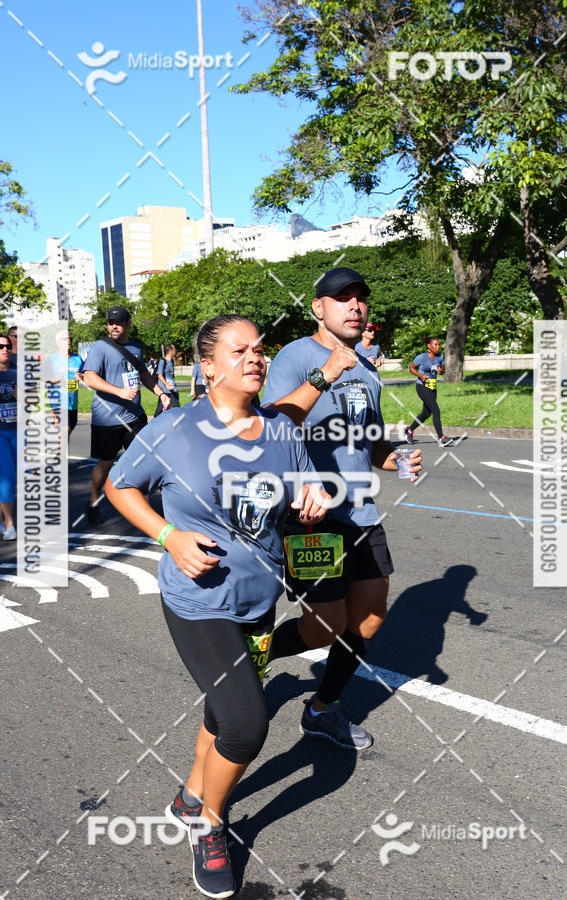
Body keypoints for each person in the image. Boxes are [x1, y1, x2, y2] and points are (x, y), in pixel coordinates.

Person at [106, 314, 329, 898]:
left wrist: (313, 499)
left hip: (260, 600)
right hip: (198, 600)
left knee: (221, 708)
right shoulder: (174, 429)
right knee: (246, 722)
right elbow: (120, 486)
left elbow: (305, 489)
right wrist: (168, 537)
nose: (255, 358)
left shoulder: (281, 431)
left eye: (260, 349)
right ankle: (210, 824)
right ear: (206, 366)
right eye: (240, 349)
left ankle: (188, 795)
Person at [262, 266, 422, 750]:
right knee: (322, 629)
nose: (355, 306)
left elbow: (368, 440)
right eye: (342, 298)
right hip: (313, 517)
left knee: (369, 618)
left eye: (360, 298)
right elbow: (274, 427)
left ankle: (321, 709)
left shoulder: (368, 369)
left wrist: (393, 457)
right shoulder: (295, 356)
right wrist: (325, 372)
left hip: (361, 511)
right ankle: (253, 653)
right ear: (319, 308)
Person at [81, 305, 171, 525]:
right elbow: (89, 377)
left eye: (119, 322)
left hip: (134, 416)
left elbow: (144, 376)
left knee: (144, 460)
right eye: (111, 322)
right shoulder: (100, 348)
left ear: (128, 324)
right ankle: (94, 500)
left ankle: (144, 509)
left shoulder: (135, 348)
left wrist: (161, 393)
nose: (114, 326)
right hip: (107, 418)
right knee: (106, 462)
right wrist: (118, 391)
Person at [405, 336, 453, 448]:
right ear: (429, 346)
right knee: (436, 410)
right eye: (435, 344)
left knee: (426, 413)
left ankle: (410, 429)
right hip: (422, 386)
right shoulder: (422, 357)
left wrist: (441, 371)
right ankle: (441, 438)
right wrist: (420, 375)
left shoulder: (440, 357)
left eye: (439, 344)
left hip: (433, 387)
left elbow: (442, 371)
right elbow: (411, 368)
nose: (438, 346)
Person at [44, 331, 84, 439]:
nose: (69, 341)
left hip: (72, 404)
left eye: (70, 338)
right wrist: (53, 380)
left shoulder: (78, 359)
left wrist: (81, 376)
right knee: (65, 430)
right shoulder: (51, 360)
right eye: (65, 339)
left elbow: (86, 375)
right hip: (57, 404)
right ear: (58, 342)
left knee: (67, 433)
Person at [0, 334, 18, 540]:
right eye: (0, 346)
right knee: (7, 477)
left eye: (7, 346)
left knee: (15, 477)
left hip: (18, 431)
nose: (5, 349)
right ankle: (10, 524)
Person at [154, 344, 180, 416]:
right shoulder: (163, 361)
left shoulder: (172, 361)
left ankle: (177, 421)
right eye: (174, 349)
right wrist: (167, 385)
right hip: (165, 390)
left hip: (173, 389)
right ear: (170, 351)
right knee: (160, 409)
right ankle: (155, 422)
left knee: (176, 407)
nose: (175, 351)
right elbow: (159, 375)